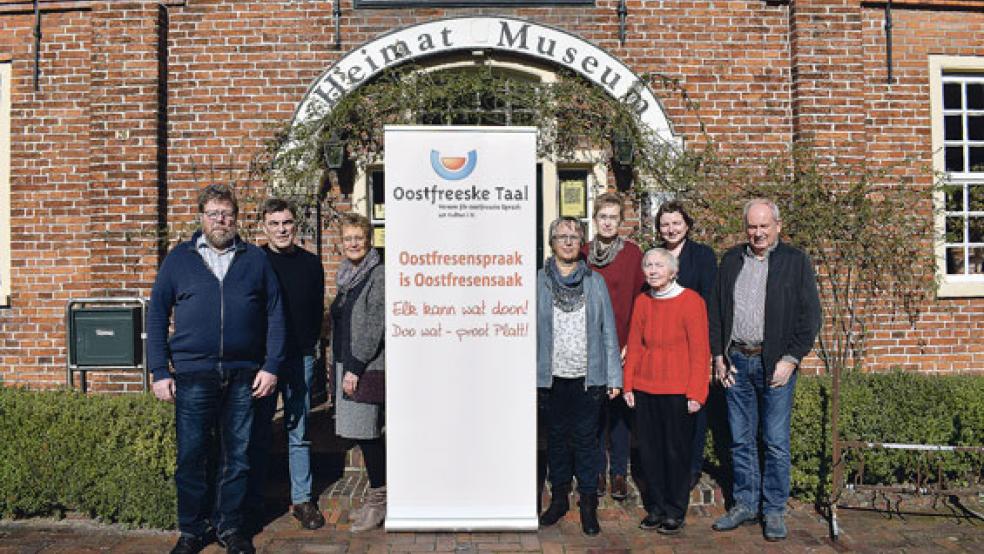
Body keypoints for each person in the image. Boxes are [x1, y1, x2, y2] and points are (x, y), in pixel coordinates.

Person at [148, 184, 286, 554]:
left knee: (237, 455)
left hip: (244, 373)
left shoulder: (255, 259)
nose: (221, 220)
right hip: (194, 374)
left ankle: (230, 528)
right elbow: (158, 313)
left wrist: (271, 365)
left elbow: (275, 314)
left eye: (227, 214)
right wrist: (159, 370)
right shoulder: (179, 259)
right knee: (192, 455)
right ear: (201, 217)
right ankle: (192, 530)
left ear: (236, 218)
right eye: (214, 213)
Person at [708, 198, 821, 541]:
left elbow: (810, 316)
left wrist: (791, 359)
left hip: (776, 364)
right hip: (737, 362)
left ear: (777, 226)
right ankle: (744, 503)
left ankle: (773, 509)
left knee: (774, 440)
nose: (757, 233)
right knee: (740, 439)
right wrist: (718, 356)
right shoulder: (730, 260)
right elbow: (715, 311)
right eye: (752, 227)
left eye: (764, 226)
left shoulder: (795, 261)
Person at [537, 216, 622, 536]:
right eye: (562, 236)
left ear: (581, 242)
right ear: (552, 242)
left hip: (589, 377)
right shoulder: (538, 281)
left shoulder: (594, 282)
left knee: (587, 443)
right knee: (556, 440)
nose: (569, 242)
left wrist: (614, 376)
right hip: (551, 378)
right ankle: (559, 500)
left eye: (574, 236)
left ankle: (588, 505)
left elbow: (608, 331)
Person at [246, 198, 326, 531]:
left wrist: (311, 349)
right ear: (264, 227)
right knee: (259, 429)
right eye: (275, 223)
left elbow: (316, 308)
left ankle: (302, 499)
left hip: (301, 357)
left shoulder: (311, 263)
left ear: (296, 225)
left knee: (299, 429)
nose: (282, 229)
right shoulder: (254, 261)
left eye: (287, 223)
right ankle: (254, 499)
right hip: (264, 362)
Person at [623, 248, 710, 535]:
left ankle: (675, 510)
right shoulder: (643, 302)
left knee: (675, 452)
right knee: (650, 453)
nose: (652, 270)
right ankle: (656, 508)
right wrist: (628, 384)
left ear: (673, 271)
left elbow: (700, 351)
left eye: (659, 265)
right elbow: (634, 346)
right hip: (646, 388)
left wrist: (697, 392)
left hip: (678, 390)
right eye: (648, 265)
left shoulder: (691, 301)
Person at [581, 193, 645, 501]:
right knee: (594, 410)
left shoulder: (632, 255)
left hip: (621, 345)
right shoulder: (582, 254)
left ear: (621, 222)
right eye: (602, 217)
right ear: (595, 220)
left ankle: (619, 472)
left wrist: (631, 343)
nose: (608, 222)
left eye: (613, 218)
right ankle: (596, 470)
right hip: (590, 345)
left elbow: (640, 301)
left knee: (619, 411)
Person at [329, 213, 387, 533]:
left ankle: (378, 503)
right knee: (363, 435)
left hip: (365, 367)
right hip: (347, 363)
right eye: (348, 238)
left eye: (359, 237)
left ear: (369, 240)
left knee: (368, 435)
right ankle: (376, 498)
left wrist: (353, 368)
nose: (353, 243)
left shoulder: (377, 274)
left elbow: (373, 325)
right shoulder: (347, 275)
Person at [655, 200, 717, 490]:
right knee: (667, 407)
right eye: (665, 224)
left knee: (694, 405)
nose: (671, 229)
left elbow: (709, 302)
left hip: (693, 342)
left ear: (687, 225)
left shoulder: (702, 256)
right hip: (664, 346)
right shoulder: (654, 256)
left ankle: (692, 465)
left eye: (676, 223)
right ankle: (669, 463)